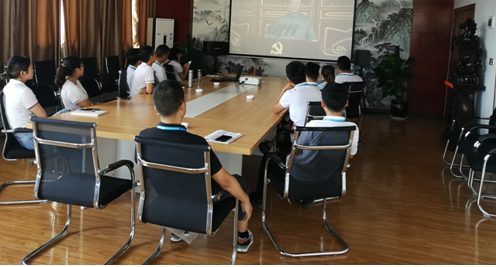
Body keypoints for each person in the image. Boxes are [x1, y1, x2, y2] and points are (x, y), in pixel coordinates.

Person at [136, 80, 254, 252]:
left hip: (162, 209)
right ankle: (242, 238)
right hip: (199, 216)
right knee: (239, 183)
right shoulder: (197, 144)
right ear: (183, 107)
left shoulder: (143, 138)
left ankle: (177, 231)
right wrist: (246, 200)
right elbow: (226, 183)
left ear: (155, 109)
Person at [251, 82, 359, 209]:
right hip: (327, 178)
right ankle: (308, 196)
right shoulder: (353, 129)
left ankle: (259, 198)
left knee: (268, 158)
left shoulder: (312, 126)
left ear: (322, 104)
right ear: (346, 103)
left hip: (298, 179)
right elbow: (350, 156)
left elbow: (296, 151)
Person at [259, 61, 321, 155]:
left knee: (284, 123)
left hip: (299, 137)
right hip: (317, 136)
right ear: (305, 75)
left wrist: (284, 89)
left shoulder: (291, 93)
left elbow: (275, 109)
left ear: (289, 80)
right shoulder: (319, 92)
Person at [1, 56, 47, 150]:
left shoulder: (8, 87)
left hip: (21, 135)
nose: (33, 70)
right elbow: (43, 116)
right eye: (31, 68)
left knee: (65, 112)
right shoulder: (23, 91)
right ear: (22, 73)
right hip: (31, 137)